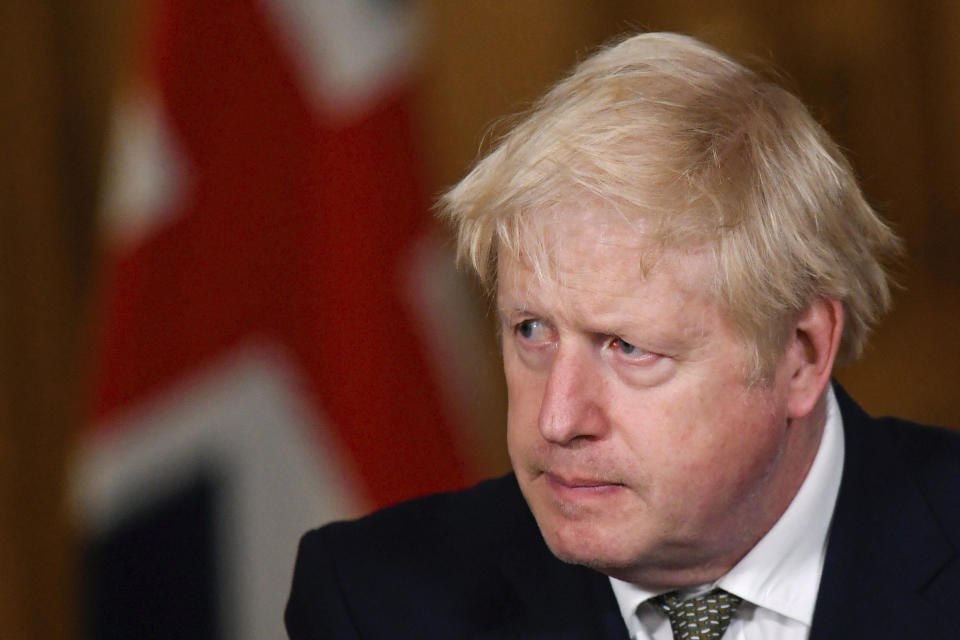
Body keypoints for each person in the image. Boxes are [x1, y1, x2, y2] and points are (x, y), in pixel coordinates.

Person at [285, 32, 960, 639]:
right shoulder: (373, 604)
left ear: (802, 353)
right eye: (531, 331)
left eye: (628, 348)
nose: (557, 418)